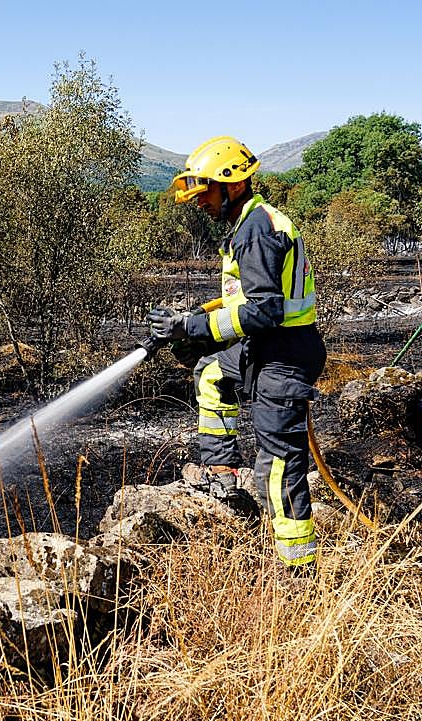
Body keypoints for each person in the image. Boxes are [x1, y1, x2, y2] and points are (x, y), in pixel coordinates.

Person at [146, 136, 326, 574]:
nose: (199, 203)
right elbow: (244, 299)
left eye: (204, 191)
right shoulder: (251, 222)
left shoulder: (256, 231)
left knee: (279, 469)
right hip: (264, 349)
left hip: (283, 357)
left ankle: (298, 572)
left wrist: (190, 327)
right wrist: (190, 318)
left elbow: (263, 311)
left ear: (232, 184)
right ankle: (222, 477)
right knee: (211, 375)